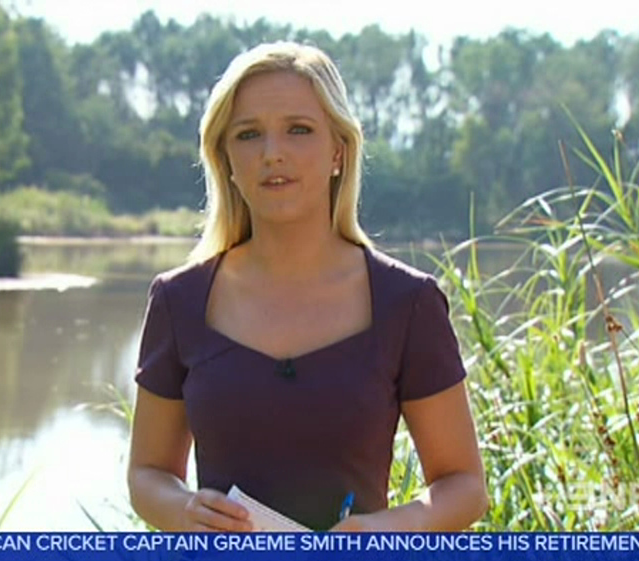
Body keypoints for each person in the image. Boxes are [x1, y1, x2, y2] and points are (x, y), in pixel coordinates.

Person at [127, 41, 487, 532]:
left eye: (298, 129)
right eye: (249, 134)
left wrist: (381, 531)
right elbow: (147, 474)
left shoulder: (408, 303)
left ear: (338, 150)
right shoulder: (179, 301)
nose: (272, 153)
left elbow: (463, 485)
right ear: (225, 157)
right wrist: (182, 509)